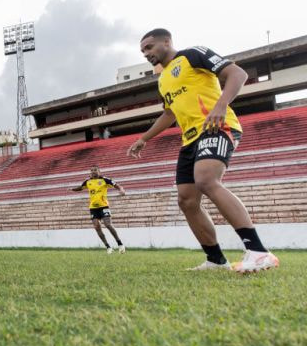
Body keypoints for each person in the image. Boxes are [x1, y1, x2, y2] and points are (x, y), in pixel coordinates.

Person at [128, 28, 279, 273]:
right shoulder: (163, 79)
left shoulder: (192, 55)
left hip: (217, 127)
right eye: (143, 50)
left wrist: (220, 106)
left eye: (149, 47)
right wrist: (144, 138)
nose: (146, 53)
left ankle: (259, 251)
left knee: (206, 180)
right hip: (189, 140)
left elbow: (237, 74)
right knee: (186, 200)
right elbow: (169, 113)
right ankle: (216, 261)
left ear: (166, 42)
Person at [71, 166, 126, 254]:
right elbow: (81, 188)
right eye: (91, 170)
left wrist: (121, 189)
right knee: (97, 227)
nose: (93, 172)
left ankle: (120, 244)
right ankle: (108, 247)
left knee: (107, 224)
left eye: (95, 170)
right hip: (93, 208)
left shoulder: (105, 180)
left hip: (104, 206)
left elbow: (116, 185)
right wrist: (72, 189)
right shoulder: (88, 181)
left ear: (99, 171)